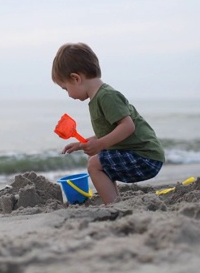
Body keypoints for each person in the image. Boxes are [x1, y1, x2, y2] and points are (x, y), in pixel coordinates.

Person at [51, 42, 165, 204]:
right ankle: (115, 202)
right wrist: (84, 143)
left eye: (65, 88)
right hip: (138, 154)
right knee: (99, 161)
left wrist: (101, 144)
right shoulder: (98, 98)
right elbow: (110, 130)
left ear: (75, 78)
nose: (68, 94)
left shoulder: (107, 96)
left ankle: (113, 205)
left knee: (95, 164)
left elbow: (128, 126)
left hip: (145, 157)